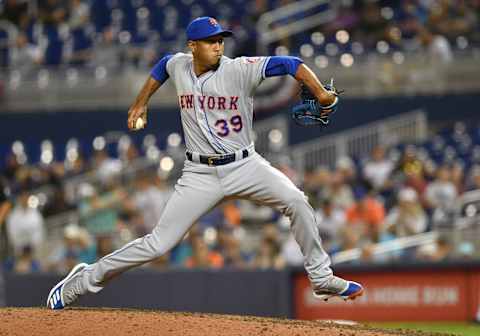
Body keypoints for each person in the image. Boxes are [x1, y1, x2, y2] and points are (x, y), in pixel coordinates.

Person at [47, 16, 363, 310]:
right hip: (199, 173)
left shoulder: (239, 69)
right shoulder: (179, 65)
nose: (218, 46)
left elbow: (292, 64)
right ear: (193, 46)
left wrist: (320, 92)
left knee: (297, 200)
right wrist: (140, 102)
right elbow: (162, 67)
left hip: (245, 166)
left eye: (220, 40)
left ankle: (321, 278)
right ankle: (82, 280)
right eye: (211, 41)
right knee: (158, 245)